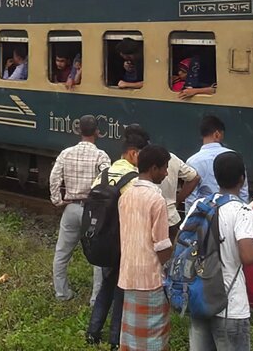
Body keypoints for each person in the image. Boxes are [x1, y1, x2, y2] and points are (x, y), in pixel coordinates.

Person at [186, 151, 253, 351]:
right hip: (231, 305)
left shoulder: (200, 206)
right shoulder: (242, 211)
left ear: (216, 177)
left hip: (200, 298)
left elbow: (182, 241)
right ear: (242, 179)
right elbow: (248, 256)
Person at [89, 126, 149, 348]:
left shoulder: (103, 174)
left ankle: (93, 332)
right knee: (121, 292)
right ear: (134, 154)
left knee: (107, 286)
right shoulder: (132, 179)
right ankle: (115, 340)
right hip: (123, 244)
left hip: (102, 241)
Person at [117, 144, 174, 351]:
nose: (166, 173)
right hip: (151, 278)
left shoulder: (125, 196)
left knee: (132, 337)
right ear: (153, 169)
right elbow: (161, 244)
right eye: (164, 168)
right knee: (154, 336)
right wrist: (170, 269)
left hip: (129, 274)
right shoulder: (156, 199)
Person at [49, 115, 111, 302]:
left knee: (62, 252)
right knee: (97, 255)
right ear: (97, 132)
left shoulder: (66, 153)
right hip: (92, 210)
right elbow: (108, 179)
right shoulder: (101, 155)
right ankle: (95, 298)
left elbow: (54, 177)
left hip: (71, 208)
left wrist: (57, 200)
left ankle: (62, 293)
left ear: (78, 131)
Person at [185, 115, 247, 208]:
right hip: (232, 209)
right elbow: (243, 192)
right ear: (217, 134)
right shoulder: (234, 157)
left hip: (206, 213)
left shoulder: (192, 161)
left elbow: (190, 198)